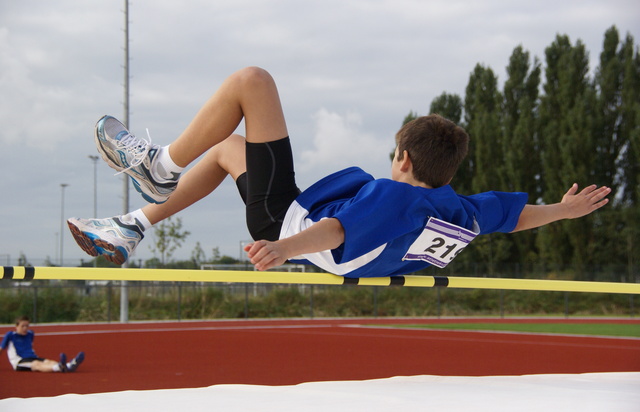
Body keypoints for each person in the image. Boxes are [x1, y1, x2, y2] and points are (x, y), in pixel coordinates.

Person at [67, 66, 610, 277]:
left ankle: (159, 165)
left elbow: (340, 231)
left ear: (403, 160)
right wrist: (565, 210)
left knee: (253, 84)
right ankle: (132, 224)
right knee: (230, 150)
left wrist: (286, 248)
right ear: (446, 172)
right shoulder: (458, 213)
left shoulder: (397, 197)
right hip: (295, 224)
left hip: (290, 225)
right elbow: (510, 218)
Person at [1, 316, 85, 372]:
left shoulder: (30, 334)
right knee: (36, 365)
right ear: (16, 326)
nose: (25, 328)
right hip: (19, 361)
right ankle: (60, 367)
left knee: (49, 361)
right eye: (23, 326)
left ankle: (69, 365)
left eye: (27, 326)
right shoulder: (10, 335)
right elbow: (1, 348)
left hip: (33, 357)